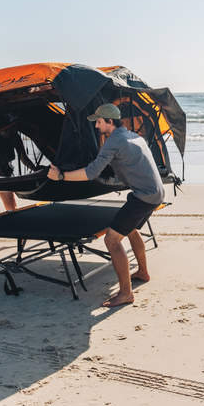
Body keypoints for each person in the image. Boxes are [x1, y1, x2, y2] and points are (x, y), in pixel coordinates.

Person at [47, 103, 165, 307]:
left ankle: (126, 293)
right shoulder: (132, 135)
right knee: (131, 230)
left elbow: (91, 172)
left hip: (144, 196)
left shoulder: (113, 141)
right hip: (155, 192)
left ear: (110, 122)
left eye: (99, 122)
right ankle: (143, 272)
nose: (96, 126)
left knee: (111, 240)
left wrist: (60, 176)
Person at [0, 125, 36, 252]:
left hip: (4, 175)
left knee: (12, 208)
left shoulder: (14, 137)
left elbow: (23, 158)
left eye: (9, 128)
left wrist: (35, 170)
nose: (6, 130)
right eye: (4, 128)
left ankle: (20, 237)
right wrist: (4, 177)